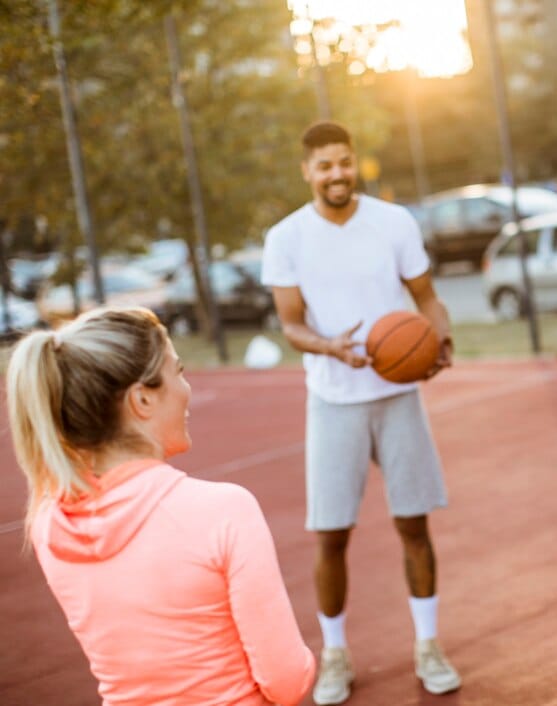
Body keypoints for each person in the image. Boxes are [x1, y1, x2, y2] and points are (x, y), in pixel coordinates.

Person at [6, 306, 315, 706]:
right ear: (142, 401)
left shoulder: (49, 524)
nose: (186, 388)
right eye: (179, 371)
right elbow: (286, 681)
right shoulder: (223, 510)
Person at [262, 121, 461, 705]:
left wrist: (440, 337)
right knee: (330, 534)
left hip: (398, 395)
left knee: (414, 526)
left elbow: (425, 298)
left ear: (356, 165)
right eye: (324, 165)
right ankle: (334, 655)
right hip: (332, 397)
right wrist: (330, 348)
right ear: (308, 172)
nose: (336, 174)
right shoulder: (287, 237)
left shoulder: (393, 222)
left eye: (344, 162)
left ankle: (427, 645)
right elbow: (291, 323)